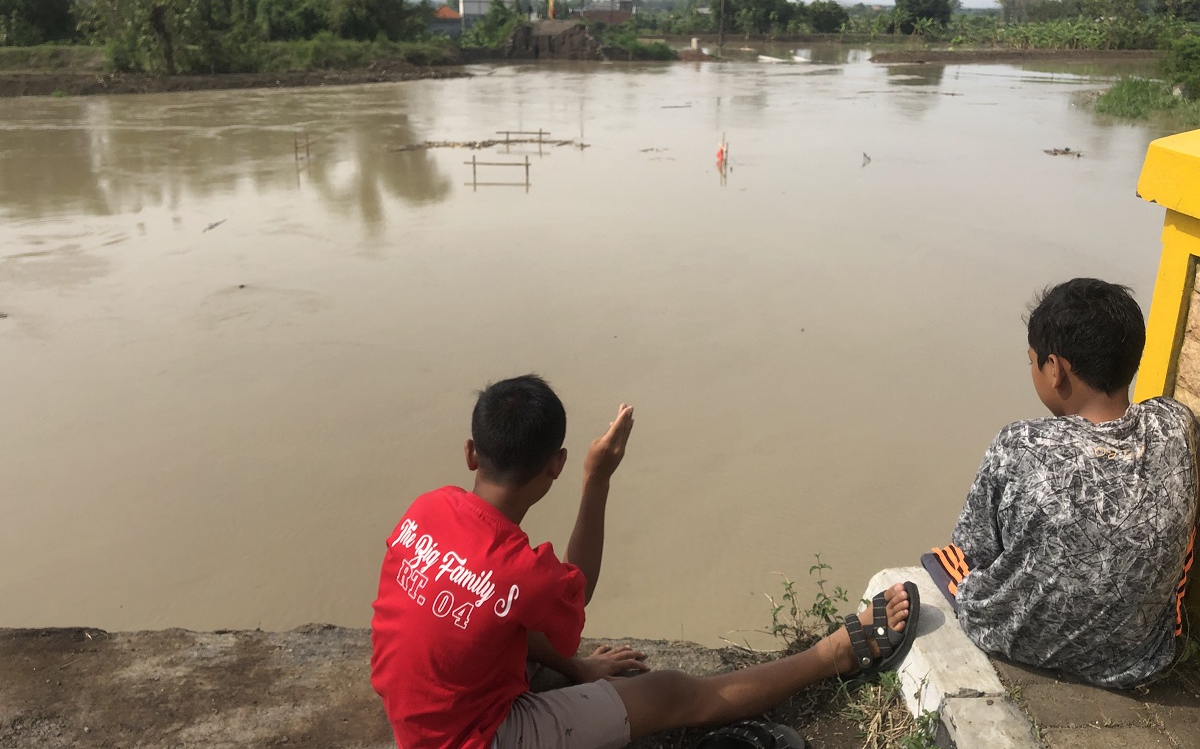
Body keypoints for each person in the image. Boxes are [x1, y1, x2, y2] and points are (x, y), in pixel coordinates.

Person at [371, 374, 919, 749]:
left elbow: (504, 608)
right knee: (673, 693)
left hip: (413, 720)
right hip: (475, 737)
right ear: (556, 465)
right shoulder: (523, 571)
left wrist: (579, 667)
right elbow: (576, 587)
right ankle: (835, 654)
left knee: (501, 618)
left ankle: (575, 679)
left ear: (471, 452)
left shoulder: (426, 508)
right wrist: (598, 478)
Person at [926, 278, 1198, 688]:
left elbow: (974, 553)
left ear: (1055, 369)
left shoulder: (1020, 444)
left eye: (1032, 359)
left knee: (945, 561)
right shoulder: (1177, 426)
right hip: (1139, 655)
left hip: (1014, 641)